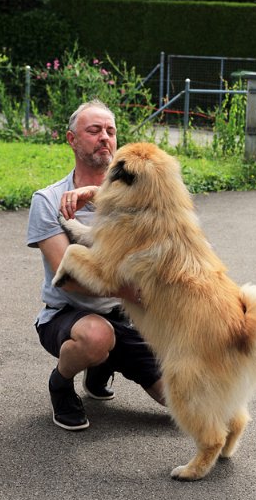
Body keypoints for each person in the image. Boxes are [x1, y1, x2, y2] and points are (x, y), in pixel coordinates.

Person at [27, 99, 165, 431]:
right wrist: (129, 290)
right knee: (96, 336)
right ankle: (62, 382)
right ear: (72, 139)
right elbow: (68, 275)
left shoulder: (138, 196)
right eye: (94, 130)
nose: (104, 137)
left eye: (110, 131)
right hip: (67, 316)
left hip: (126, 316)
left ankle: (102, 364)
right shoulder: (48, 201)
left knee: (183, 405)